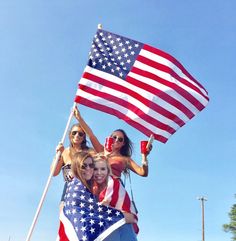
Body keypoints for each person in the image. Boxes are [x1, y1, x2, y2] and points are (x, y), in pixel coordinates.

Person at [58, 151, 136, 241]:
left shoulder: (91, 186)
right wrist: (122, 216)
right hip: (78, 233)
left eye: (91, 166)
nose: (88, 169)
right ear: (77, 167)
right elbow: (85, 213)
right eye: (84, 166)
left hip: (93, 229)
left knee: (124, 226)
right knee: (123, 224)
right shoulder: (76, 187)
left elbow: (93, 210)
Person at [73, 106, 152, 180]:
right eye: (114, 137)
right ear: (110, 138)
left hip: (113, 188)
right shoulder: (102, 150)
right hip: (98, 187)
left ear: (123, 144)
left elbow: (143, 172)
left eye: (120, 139)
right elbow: (91, 135)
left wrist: (144, 157)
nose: (116, 140)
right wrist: (79, 118)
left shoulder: (125, 159)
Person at [92, 155, 138, 241]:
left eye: (103, 169)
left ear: (108, 170)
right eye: (95, 169)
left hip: (121, 230)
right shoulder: (87, 188)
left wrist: (108, 212)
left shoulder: (116, 185)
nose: (99, 172)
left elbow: (131, 217)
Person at [51, 123, 94, 206]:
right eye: (74, 133)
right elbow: (54, 172)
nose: (77, 135)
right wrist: (58, 155)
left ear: (84, 137)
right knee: (64, 212)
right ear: (70, 134)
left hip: (86, 188)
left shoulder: (90, 152)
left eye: (80, 134)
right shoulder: (64, 152)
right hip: (69, 187)